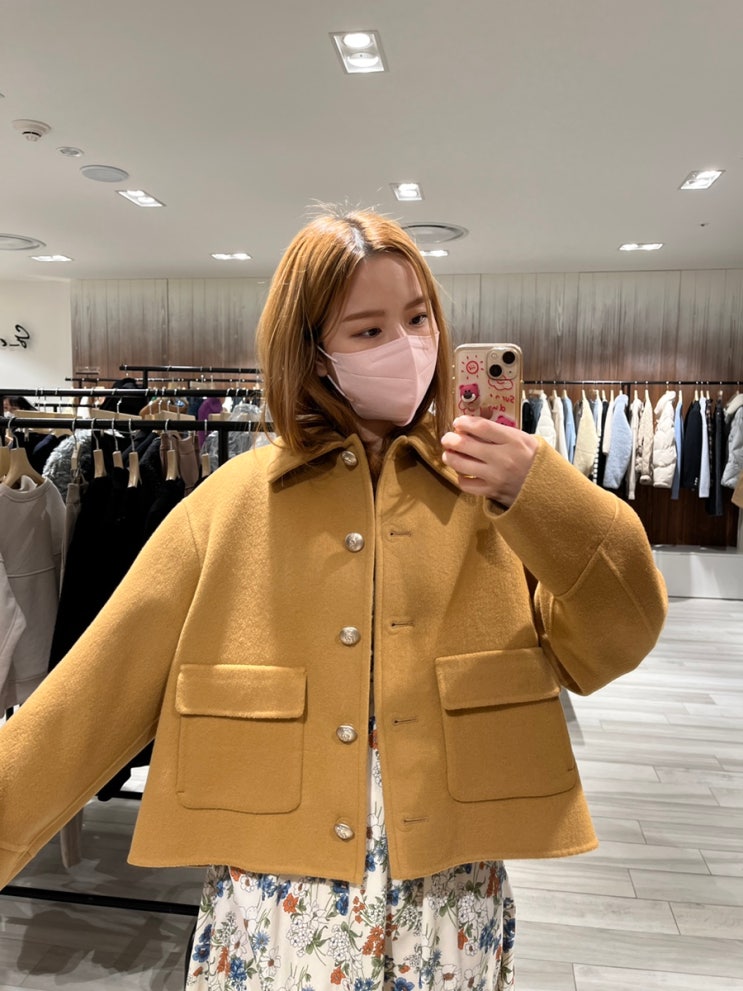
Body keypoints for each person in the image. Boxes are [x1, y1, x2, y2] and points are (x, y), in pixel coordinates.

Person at [0, 208, 667, 990]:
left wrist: (541, 492)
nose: (407, 344)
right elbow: (90, 696)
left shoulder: (496, 496)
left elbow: (620, 631)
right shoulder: (230, 505)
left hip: (444, 887)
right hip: (279, 895)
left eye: (418, 317)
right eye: (369, 330)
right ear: (312, 352)